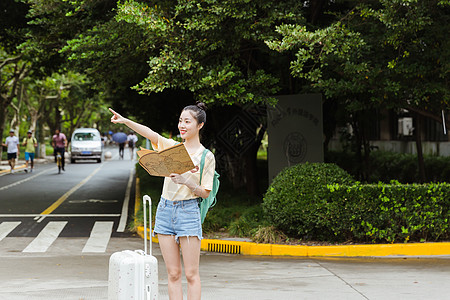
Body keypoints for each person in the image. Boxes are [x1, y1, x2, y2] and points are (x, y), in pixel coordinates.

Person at [110, 103, 215, 300]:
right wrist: (125, 121)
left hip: (188, 212)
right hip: (165, 210)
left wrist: (186, 180)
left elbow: (205, 193)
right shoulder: (173, 148)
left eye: (187, 121)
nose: (182, 125)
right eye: (180, 121)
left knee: (191, 275)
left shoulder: (206, 157)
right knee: (173, 274)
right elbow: (151, 134)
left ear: (200, 125)